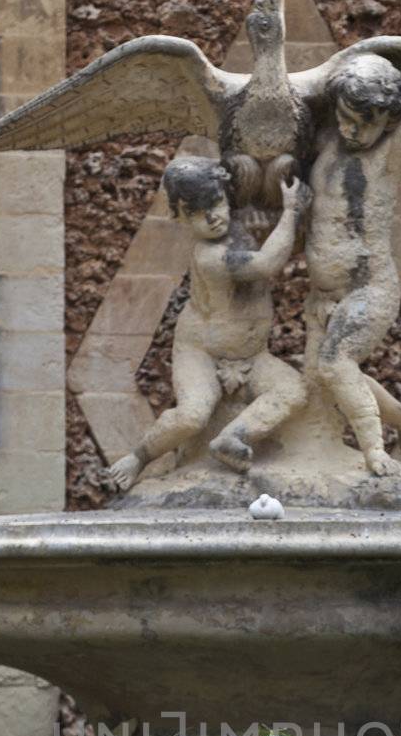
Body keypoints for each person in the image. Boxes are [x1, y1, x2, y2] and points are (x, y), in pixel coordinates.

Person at [102, 154, 310, 492]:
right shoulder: (211, 256)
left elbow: (280, 240)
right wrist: (290, 212)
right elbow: (267, 263)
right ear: (180, 218)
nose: (212, 218)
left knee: (293, 390)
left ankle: (233, 437)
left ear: (226, 196)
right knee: (193, 415)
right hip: (202, 351)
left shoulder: (236, 224)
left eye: (216, 203)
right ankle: (139, 456)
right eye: (197, 214)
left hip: (253, 355)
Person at [303, 42, 401, 476]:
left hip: (369, 289)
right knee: (324, 382)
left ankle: (373, 452)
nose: (351, 132)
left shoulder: (388, 156)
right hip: (322, 296)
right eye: (345, 118)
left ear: (388, 121)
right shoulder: (327, 141)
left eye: (365, 125)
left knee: (335, 365)